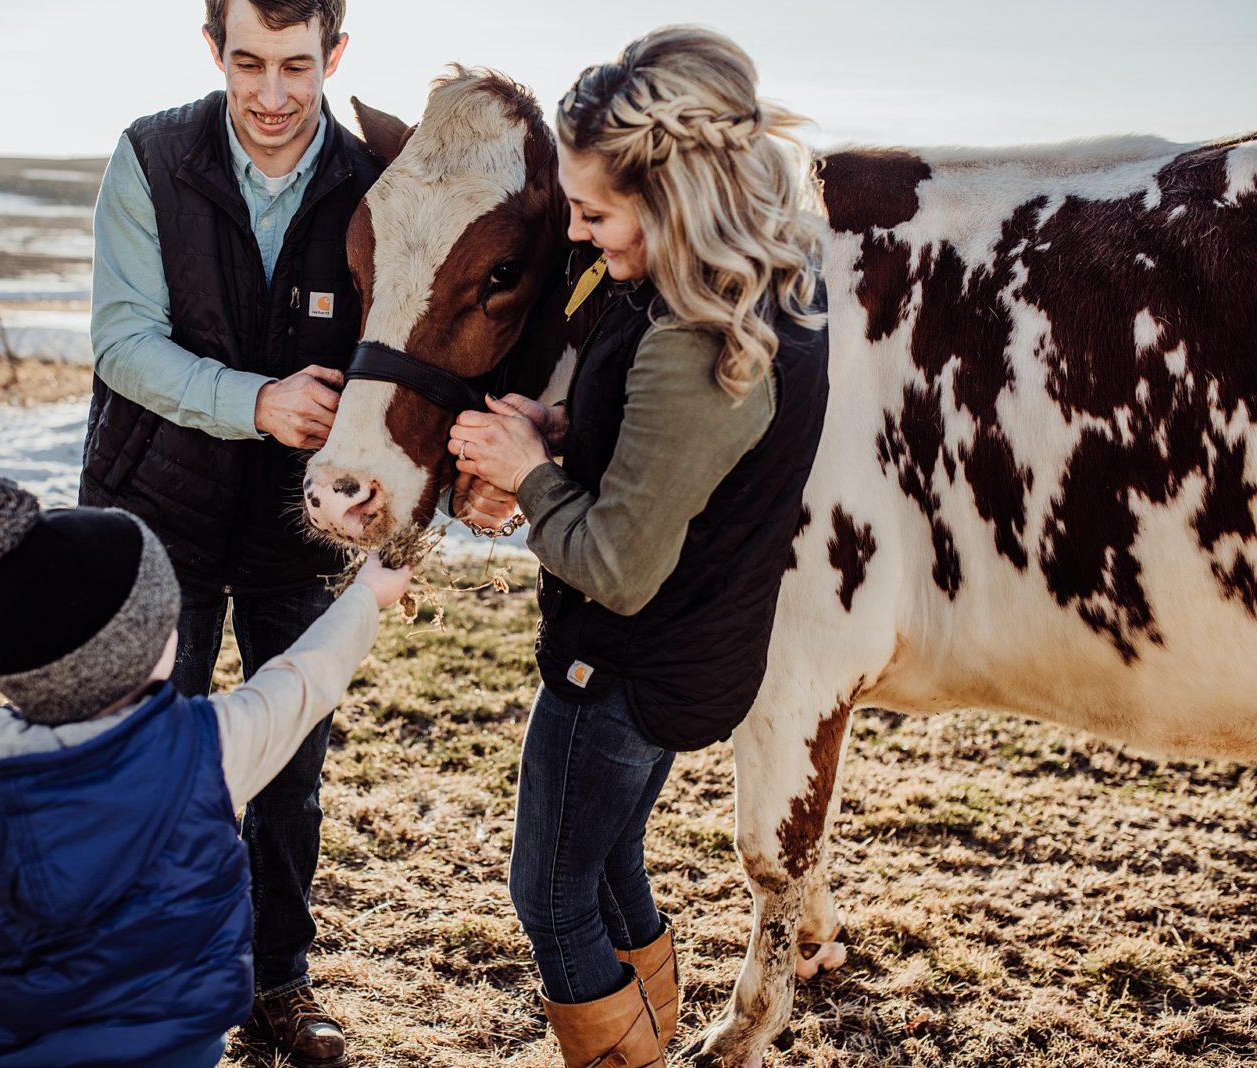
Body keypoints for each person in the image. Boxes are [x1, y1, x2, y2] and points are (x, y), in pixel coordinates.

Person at [447, 26, 830, 1068]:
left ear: (672, 200)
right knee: (608, 857)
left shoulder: (694, 337)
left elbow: (618, 565)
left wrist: (527, 472)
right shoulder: (755, 288)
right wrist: (564, 435)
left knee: (549, 891)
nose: (581, 235)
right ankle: (647, 1036)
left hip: (621, 663)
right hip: (685, 655)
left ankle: (619, 1055)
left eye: (596, 213)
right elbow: (685, 470)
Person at [78, 0, 383, 1060]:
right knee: (150, 764)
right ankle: (143, 983)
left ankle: (277, 987)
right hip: (152, 516)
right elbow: (121, 343)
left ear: (332, 55)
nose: (269, 94)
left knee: (290, 763)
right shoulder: (150, 156)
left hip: (301, 532)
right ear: (214, 50)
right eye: (246, 61)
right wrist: (254, 400)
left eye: (296, 66)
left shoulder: (370, 185)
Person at [0, 475, 410, 1068]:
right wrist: (367, 595)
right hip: (177, 1044)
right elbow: (303, 681)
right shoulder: (203, 749)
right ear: (143, 645)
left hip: (18, 1048)